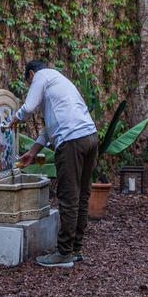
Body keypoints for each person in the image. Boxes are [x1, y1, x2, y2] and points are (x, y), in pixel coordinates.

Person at [15, 60, 98, 268]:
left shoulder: (41, 77)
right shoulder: (59, 81)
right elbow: (50, 129)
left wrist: (14, 119)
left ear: (31, 74)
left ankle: (63, 253)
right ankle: (75, 249)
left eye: (29, 83)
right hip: (90, 137)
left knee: (69, 197)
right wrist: (33, 152)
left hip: (72, 142)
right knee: (82, 195)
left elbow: (28, 107)